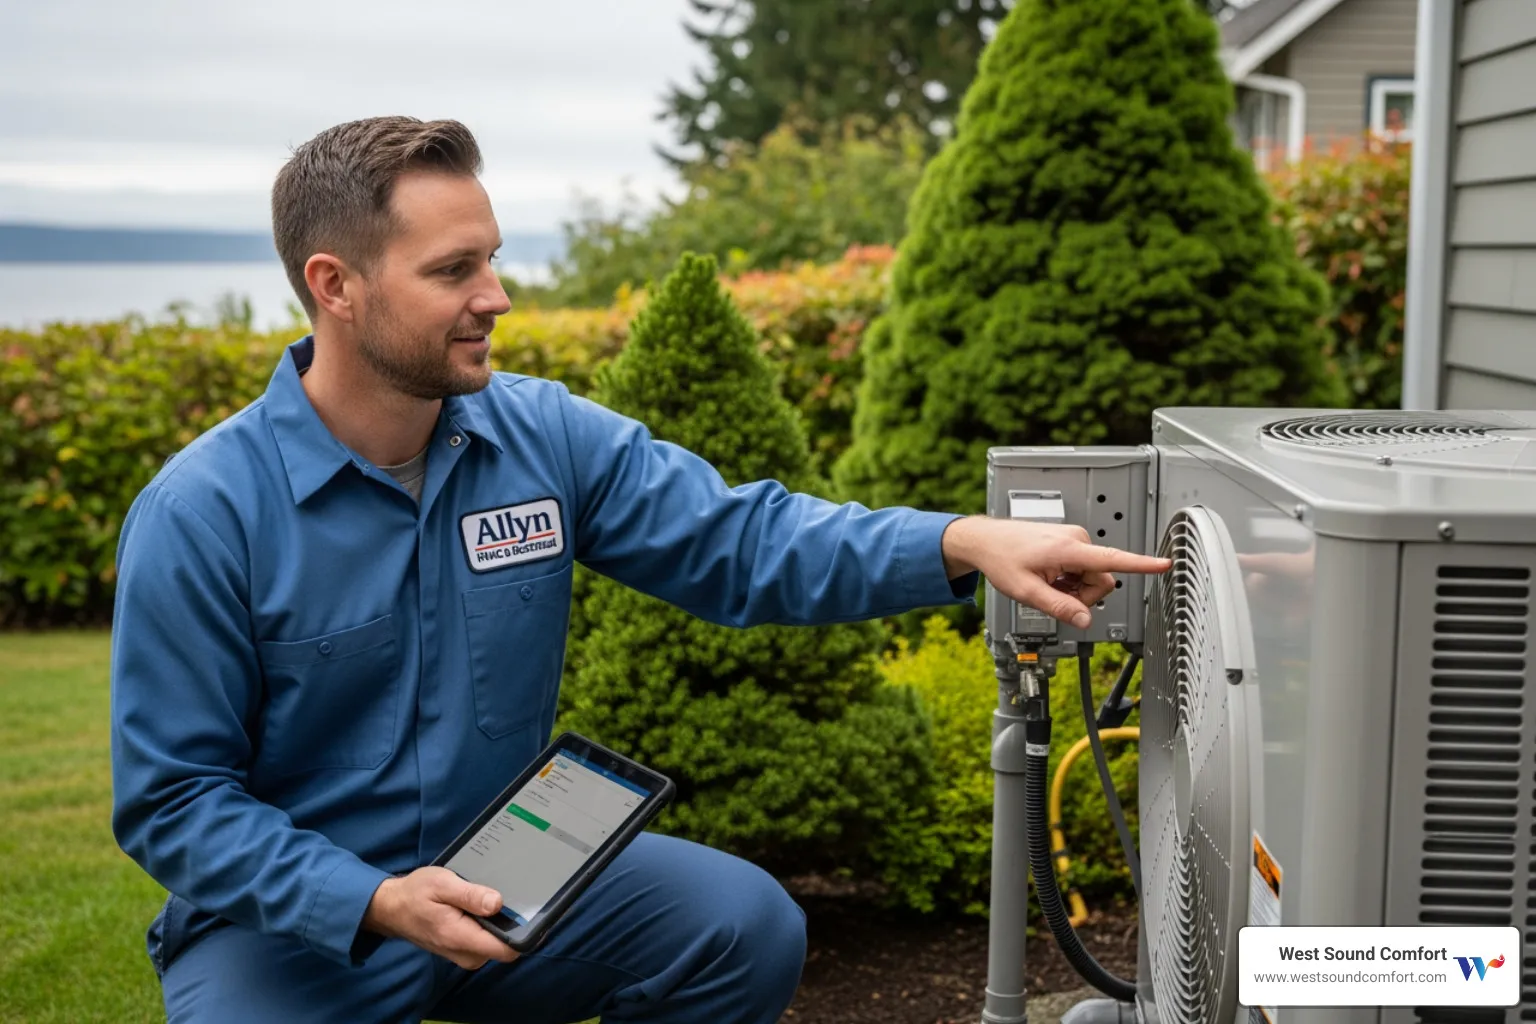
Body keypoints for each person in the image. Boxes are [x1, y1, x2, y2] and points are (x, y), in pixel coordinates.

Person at [109, 116, 1172, 1024]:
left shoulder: (545, 437)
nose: (498, 295)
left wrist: (958, 541)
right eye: (452, 271)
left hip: (509, 876)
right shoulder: (203, 515)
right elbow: (175, 801)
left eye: (491, 256)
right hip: (297, 921)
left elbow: (743, 542)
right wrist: (374, 901)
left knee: (741, 926)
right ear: (334, 285)